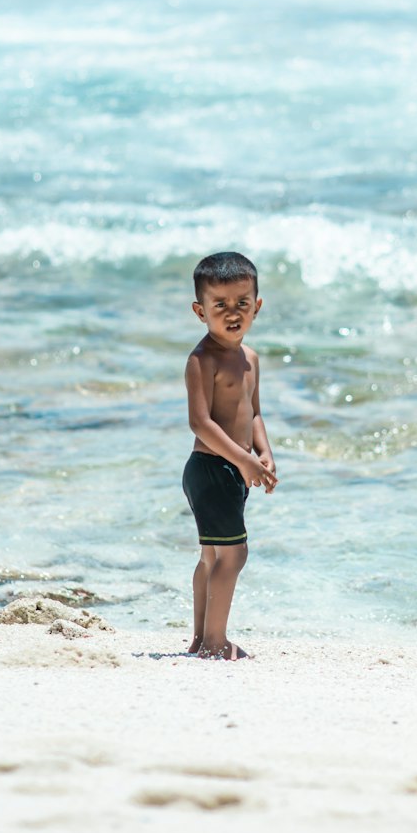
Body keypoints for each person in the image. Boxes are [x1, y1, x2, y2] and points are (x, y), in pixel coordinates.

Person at [182, 251, 277, 660]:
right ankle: (216, 641)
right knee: (233, 554)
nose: (232, 312)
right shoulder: (201, 360)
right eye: (219, 305)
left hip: (233, 469)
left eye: (242, 303)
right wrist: (242, 459)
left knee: (211, 555)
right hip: (210, 469)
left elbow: (252, 411)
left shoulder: (250, 358)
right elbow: (201, 423)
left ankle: (202, 640)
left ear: (256, 306)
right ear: (200, 311)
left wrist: (264, 453)